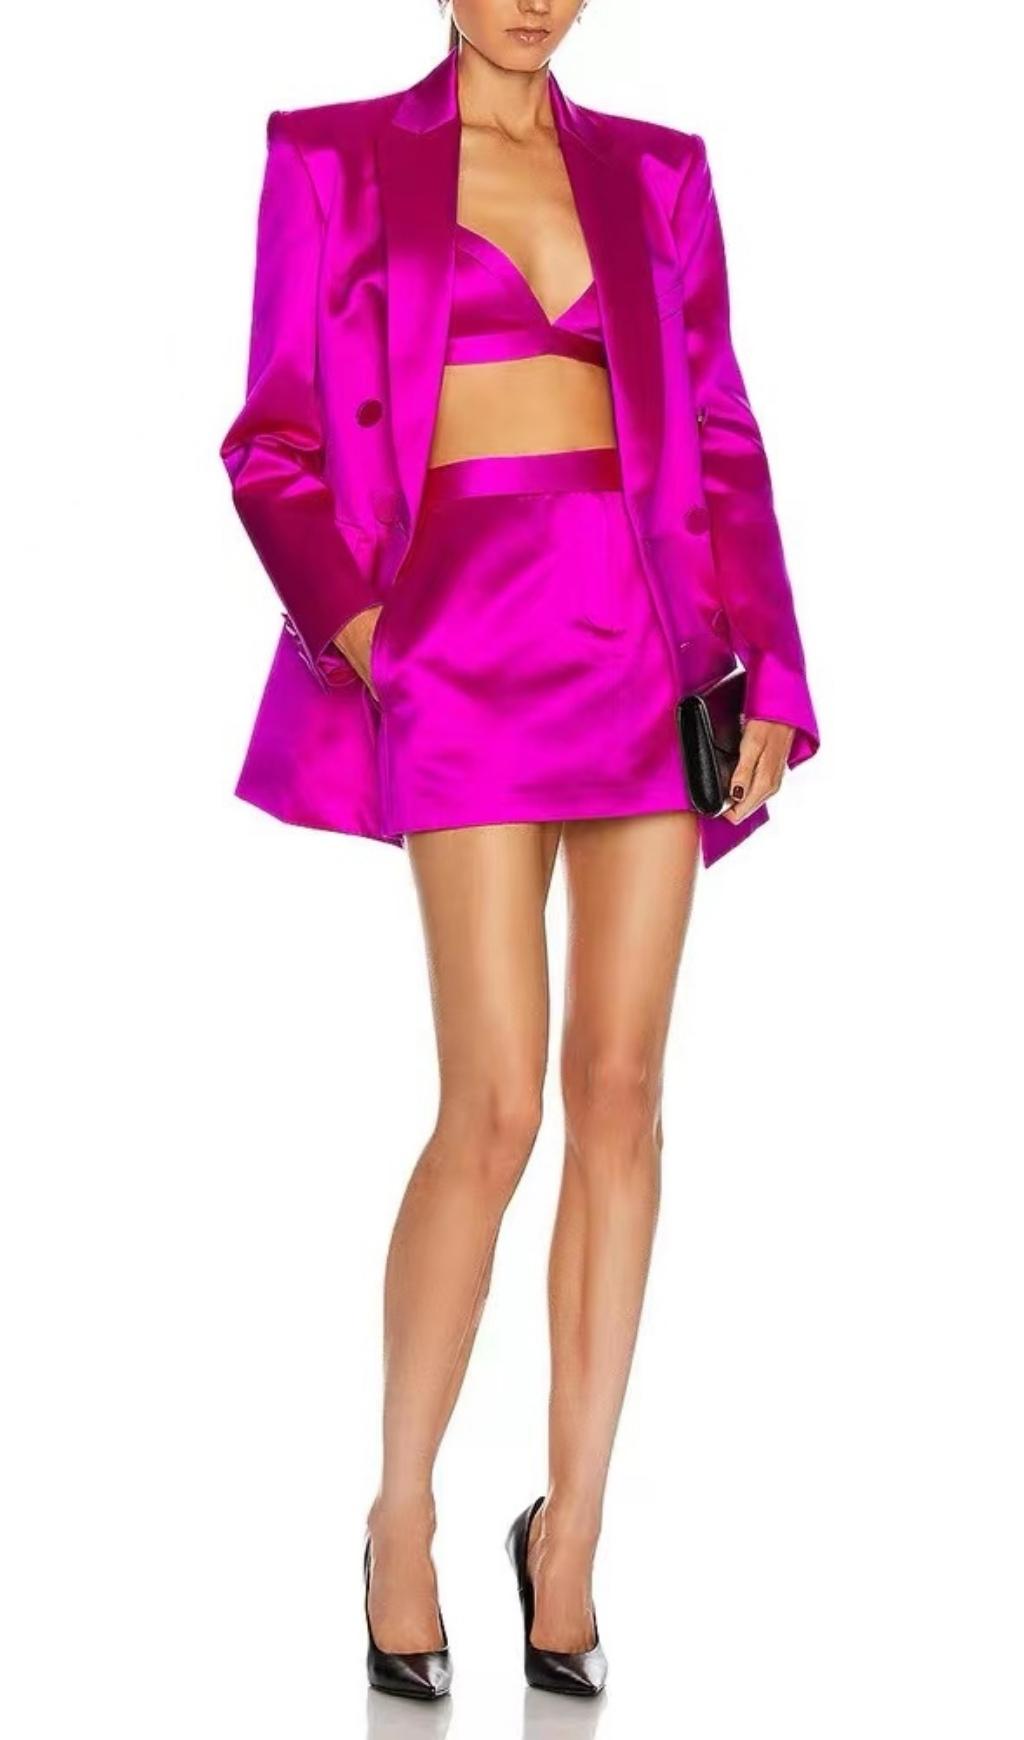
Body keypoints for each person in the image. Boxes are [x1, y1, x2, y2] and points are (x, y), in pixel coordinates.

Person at [220, 0, 820, 1701]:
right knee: (491, 1106)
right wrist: (364, 634)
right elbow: (271, 444)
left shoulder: (659, 173)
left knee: (622, 1091)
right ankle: (401, 1517)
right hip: (456, 650)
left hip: (647, 645)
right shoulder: (331, 157)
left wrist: (769, 667)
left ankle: (573, 1540)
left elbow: (719, 430)